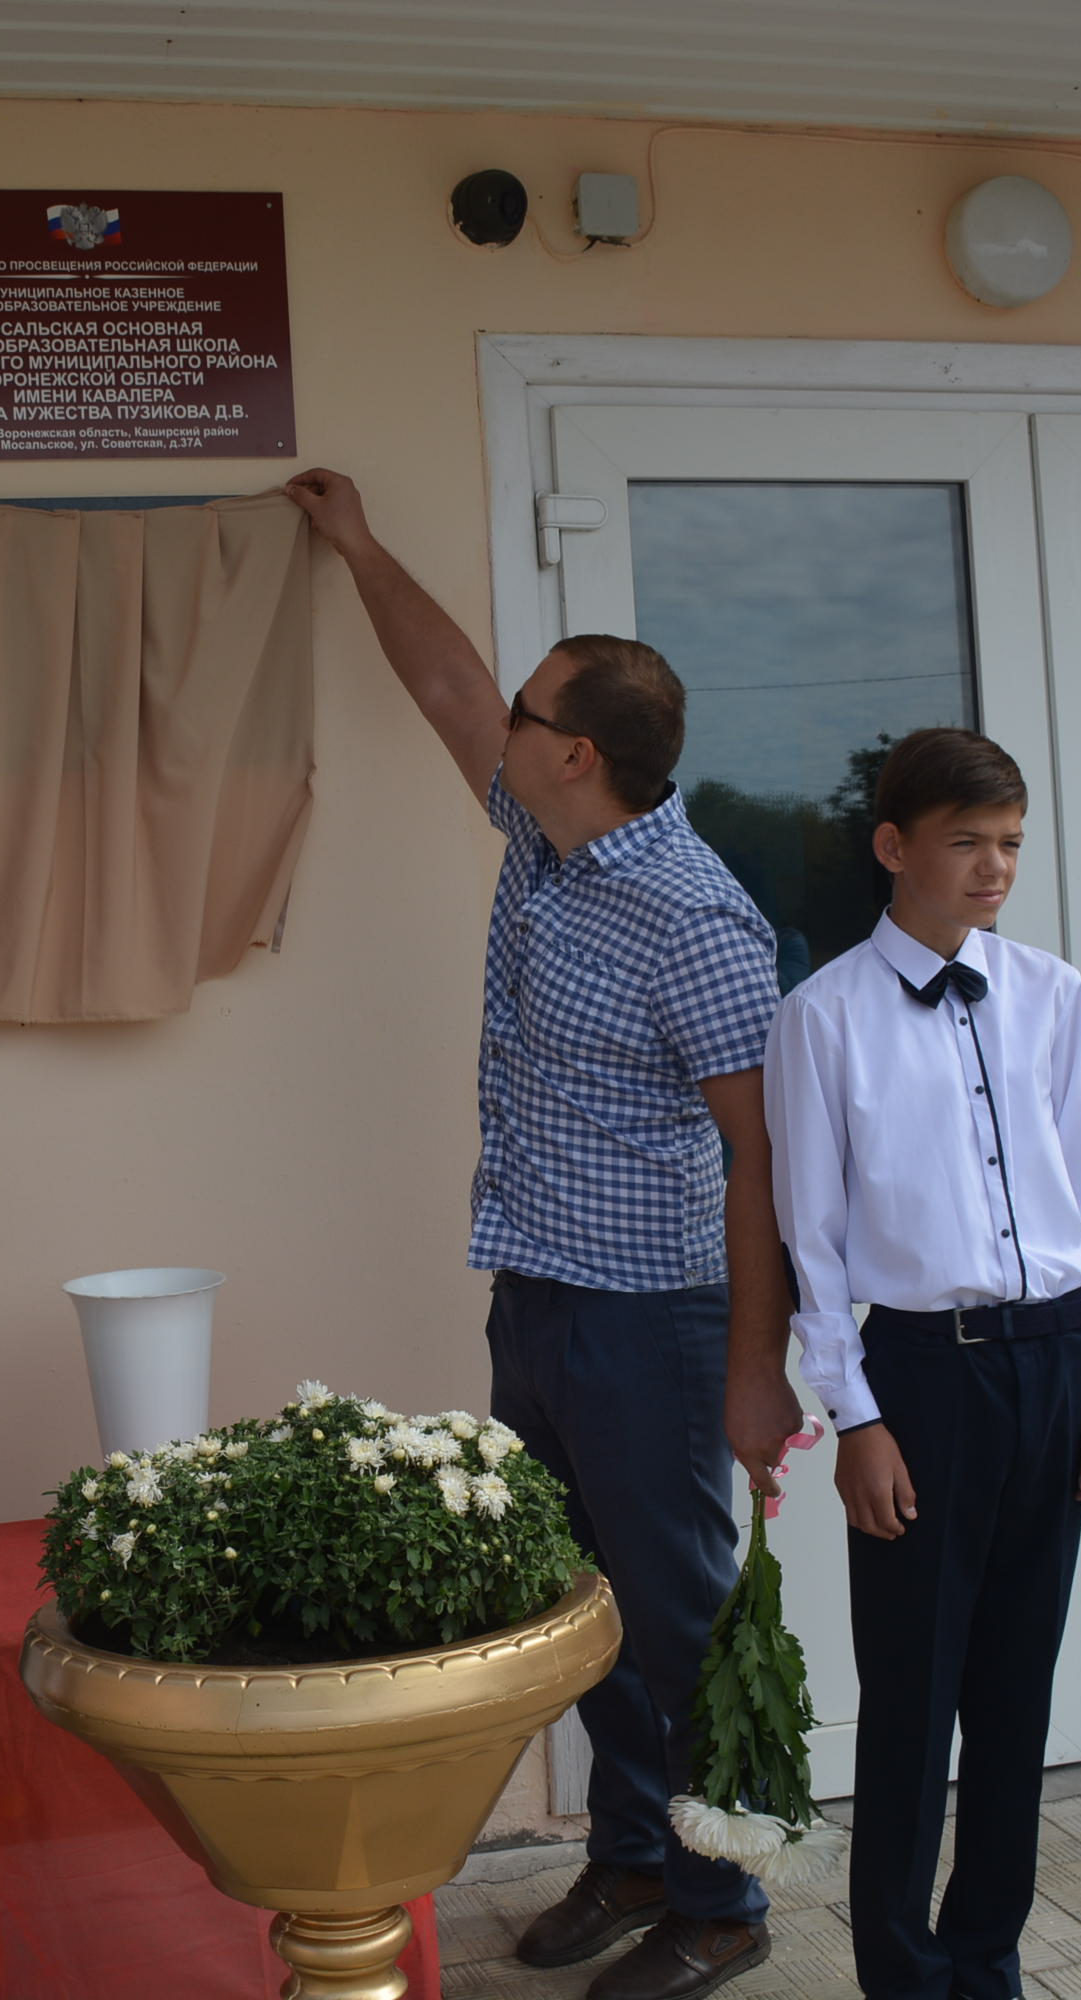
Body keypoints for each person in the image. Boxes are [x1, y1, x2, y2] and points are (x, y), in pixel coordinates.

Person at [287, 468, 800, 2000]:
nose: (499, 721)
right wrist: (357, 545)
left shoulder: (695, 918)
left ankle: (724, 1902)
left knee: (681, 1618)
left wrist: (757, 1367)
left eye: (530, 710)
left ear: (578, 752)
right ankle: (633, 1859)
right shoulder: (543, 832)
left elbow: (766, 1156)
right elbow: (451, 687)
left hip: (657, 1319)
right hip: (541, 1292)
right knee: (579, 1607)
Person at [763, 727, 1081, 2000]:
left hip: (1056, 1358)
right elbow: (813, 1240)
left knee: (1017, 1694)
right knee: (915, 1699)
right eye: (967, 841)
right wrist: (854, 1414)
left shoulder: (1049, 992)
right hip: (924, 1377)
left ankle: (986, 1963)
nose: (994, 867)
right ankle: (904, 1974)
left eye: (1011, 843)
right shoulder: (821, 1017)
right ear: (893, 845)